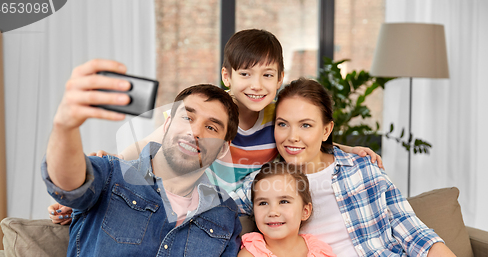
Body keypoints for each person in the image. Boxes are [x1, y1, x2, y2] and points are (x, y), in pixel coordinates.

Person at [49, 29, 382, 226]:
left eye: (268, 75)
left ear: (280, 79)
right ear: (228, 76)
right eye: (246, 74)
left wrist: (345, 149)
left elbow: (304, 138)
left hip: (244, 209)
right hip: (199, 203)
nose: (257, 85)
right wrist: (101, 173)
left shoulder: (275, 117)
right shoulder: (208, 114)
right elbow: (147, 146)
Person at [7, 59, 248, 257]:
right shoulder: (112, 174)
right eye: (187, 117)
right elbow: (68, 183)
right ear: (166, 125)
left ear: (223, 148)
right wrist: (66, 125)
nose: (195, 132)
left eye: (211, 127)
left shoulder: (224, 213)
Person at [235, 78, 488, 257]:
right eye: (282, 124)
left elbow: (418, 239)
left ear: (326, 130)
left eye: (306, 125)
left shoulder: (362, 168)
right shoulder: (266, 185)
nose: (291, 136)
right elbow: (212, 205)